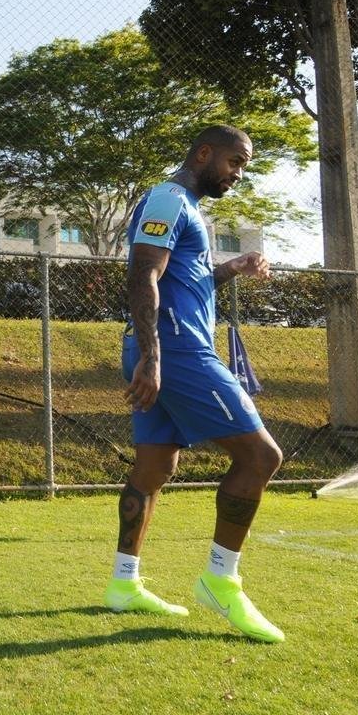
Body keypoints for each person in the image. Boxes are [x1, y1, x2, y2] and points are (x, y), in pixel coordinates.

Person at [106, 124, 286, 643]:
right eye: (235, 162)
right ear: (204, 153)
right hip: (177, 350)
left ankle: (123, 585)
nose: (238, 173)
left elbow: (187, 277)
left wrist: (232, 267)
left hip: (159, 350)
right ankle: (220, 579)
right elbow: (144, 273)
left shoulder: (187, 208)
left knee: (154, 465)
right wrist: (155, 358)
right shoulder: (168, 198)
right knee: (261, 458)